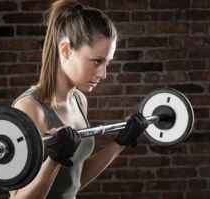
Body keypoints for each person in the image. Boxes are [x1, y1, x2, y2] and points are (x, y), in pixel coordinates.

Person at [9, 0, 149, 198]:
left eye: (107, 63)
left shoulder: (79, 100)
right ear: (65, 50)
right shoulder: (30, 108)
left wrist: (120, 143)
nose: (104, 74)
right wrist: (54, 160)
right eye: (97, 61)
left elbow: (73, 181)